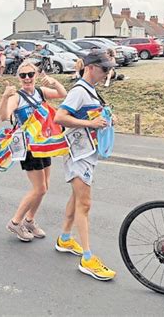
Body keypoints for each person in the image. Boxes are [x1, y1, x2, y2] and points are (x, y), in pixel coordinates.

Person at [54, 50, 117, 281]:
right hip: (77, 153)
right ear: (90, 67)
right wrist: (89, 122)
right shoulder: (79, 91)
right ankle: (88, 258)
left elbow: (90, 115)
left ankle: (65, 238)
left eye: (108, 69)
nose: (107, 72)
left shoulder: (90, 90)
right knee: (85, 203)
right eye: (103, 69)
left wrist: (106, 118)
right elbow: (59, 117)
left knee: (76, 198)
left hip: (86, 152)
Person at [0, 62, 67, 241]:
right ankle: (15, 222)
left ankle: (29, 220)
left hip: (43, 144)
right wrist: (5, 97)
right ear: (19, 78)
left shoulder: (40, 92)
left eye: (30, 74)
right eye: (23, 75)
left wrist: (54, 83)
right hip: (28, 147)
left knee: (44, 188)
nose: (27, 78)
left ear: (36, 75)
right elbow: (4, 116)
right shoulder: (17, 97)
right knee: (39, 188)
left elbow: (63, 94)